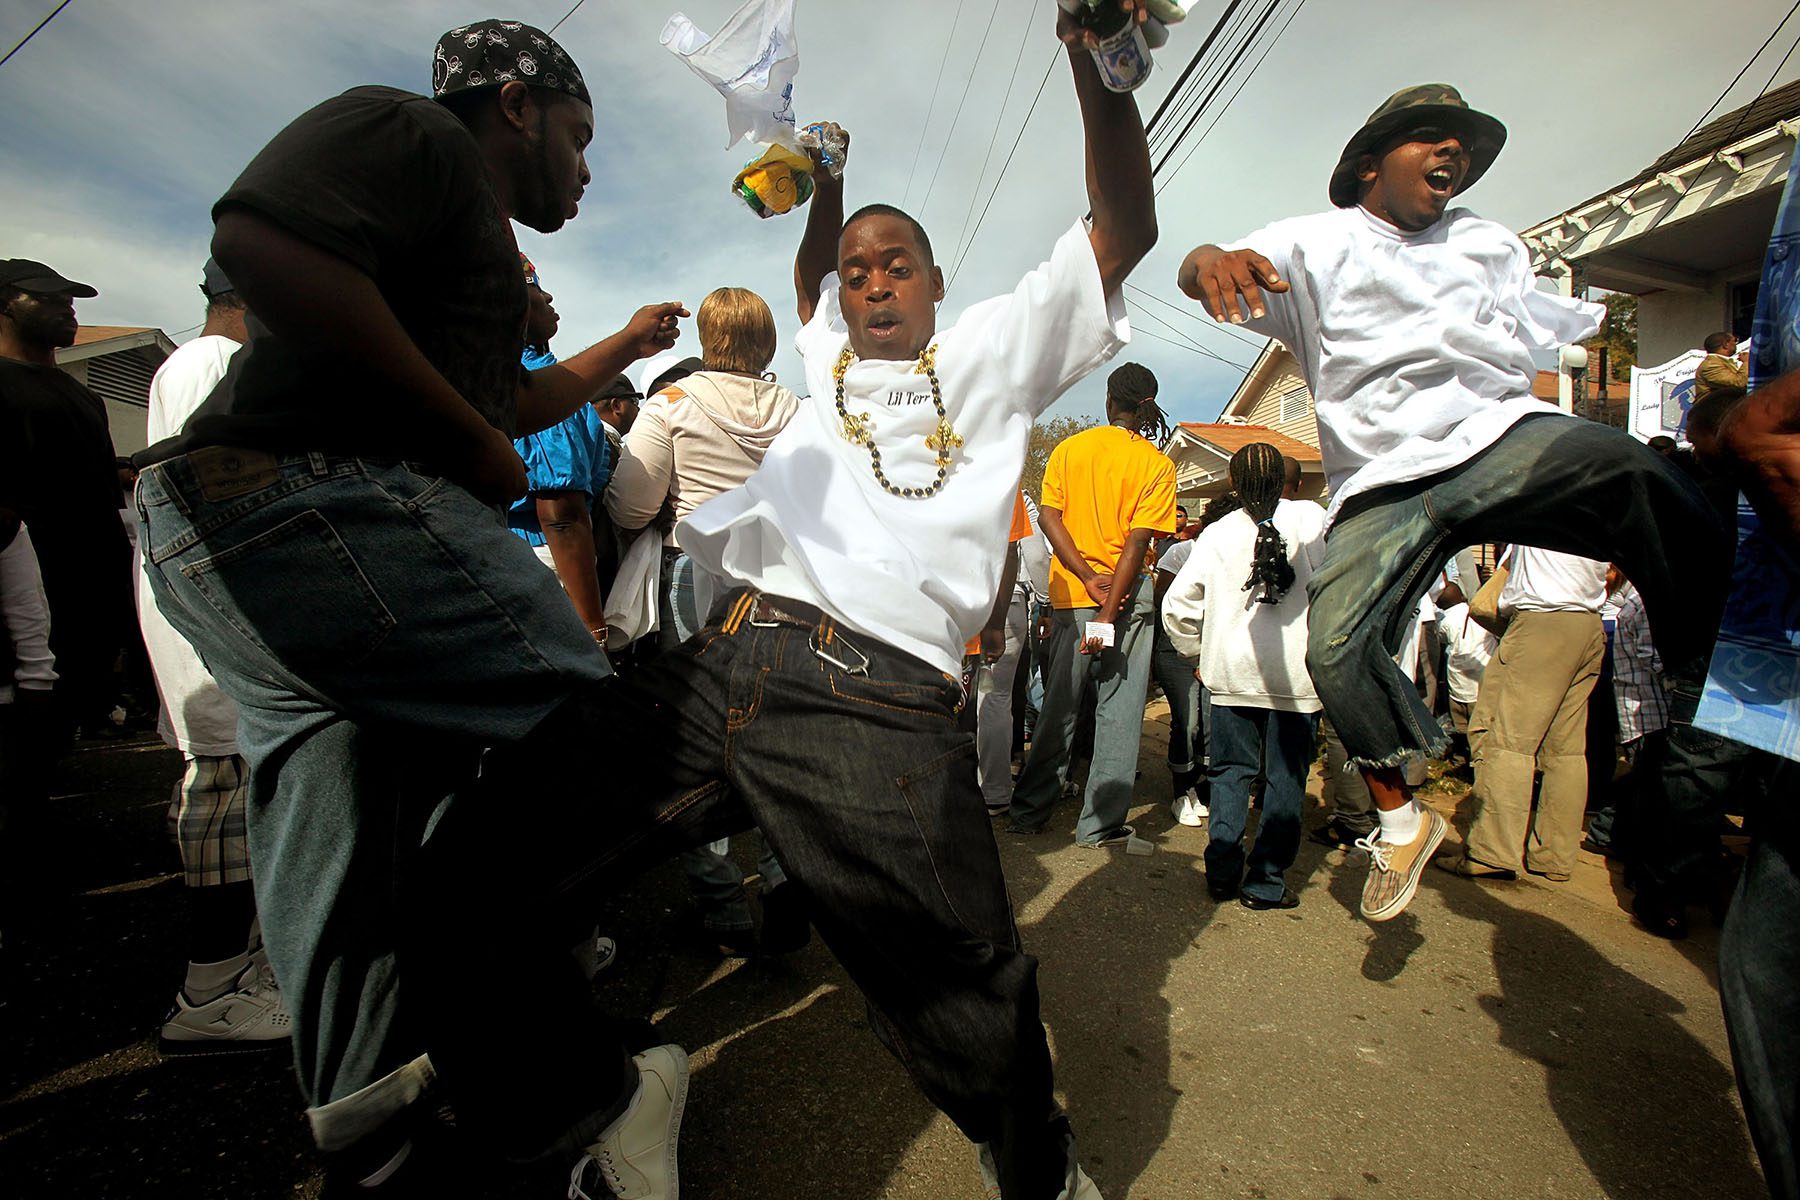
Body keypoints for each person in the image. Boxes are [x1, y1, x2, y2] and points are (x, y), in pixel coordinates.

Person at [132, 21, 693, 1192]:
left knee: (333, 841)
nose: (587, 171)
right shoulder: (418, 132)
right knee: (607, 734)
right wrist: (461, 439)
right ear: (517, 104)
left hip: (231, 532)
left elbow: (521, 398)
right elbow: (260, 234)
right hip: (318, 504)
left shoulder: (461, 260)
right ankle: (569, 1079)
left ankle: (369, 1132)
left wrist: (620, 341)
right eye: (581, 139)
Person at [661, 3, 1156, 1191]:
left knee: (962, 968)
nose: (871, 283)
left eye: (896, 266)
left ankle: (1035, 1164)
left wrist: (1094, 65)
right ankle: (604, 1094)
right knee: (502, 859)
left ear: (935, 283)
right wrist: (826, 185)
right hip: (721, 656)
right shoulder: (824, 356)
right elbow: (809, 271)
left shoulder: (991, 348)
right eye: (855, 271)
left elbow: (1120, 228)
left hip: (872, 695)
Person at [1177, 83, 1730, 922]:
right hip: (1383, 483)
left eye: (1461, 148)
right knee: (1335, 648)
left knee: (1645, 478)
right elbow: (1198, 270)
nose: (1452, 156)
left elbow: (1535, 350)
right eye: (1431, 139)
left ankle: (1711, 688)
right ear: (1370, 165)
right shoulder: (1312, 244)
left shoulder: (1492, 245)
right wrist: (1207, 258)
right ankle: (1402, 817)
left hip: (1495, 438)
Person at [604, 285, 806, 955]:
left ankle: (721, 906)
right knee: (778, 731)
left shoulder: (670, 406)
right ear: (766, 342)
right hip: (784, 582)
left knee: (699, 736)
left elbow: (630, 508)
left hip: (699, 576)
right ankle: (784, 880)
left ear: (708, 340)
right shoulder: (799, 413)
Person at [136, 259, 291, 1054]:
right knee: (222, 788)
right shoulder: (213, 364)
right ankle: (215, 988)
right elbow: (224, 494)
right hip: (221, 619)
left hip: (216, 614)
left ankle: (242, 968)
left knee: (234, 786)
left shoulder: (196, 365)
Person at [1006, 361, 1177, 846]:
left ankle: (1029, 810)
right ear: (1148, 407)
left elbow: (1051, 521)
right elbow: (1138, 540)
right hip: (1126, 601)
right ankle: (1098, 825)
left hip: (1071, 597)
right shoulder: (1156, 465)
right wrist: (1110, 605)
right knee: (1120, 712)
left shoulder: (1069, 450)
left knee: (1059, 704)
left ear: (1109, 401)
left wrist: (1085, 578)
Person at [1162, 443, 1325, 908]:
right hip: (1296, 678)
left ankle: (1222, 871)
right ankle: (1266, 881)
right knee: (1287, 778)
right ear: (1284, 481)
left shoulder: (1217, 534)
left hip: (1231, 675)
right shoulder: (1312, 521)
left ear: (1234, 484)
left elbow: (1178, 607)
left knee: (1229, 772)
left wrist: (1197, 651)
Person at [0, 259, 134, 743]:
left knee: (63, 721)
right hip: (28, 589)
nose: (68, 309)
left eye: (69, 300)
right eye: (49, 298)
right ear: (4, 303)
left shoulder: (86, 398)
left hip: (93, 586)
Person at [1436, 547, 1606, 882]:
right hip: (1587, 620)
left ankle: (1492, 852)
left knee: (1505, 739)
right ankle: (1554, 856)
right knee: (1566, 750)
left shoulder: (1541, 496)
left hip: (1541, 620)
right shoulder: (1606, 501)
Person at [506, 254, 609, 643]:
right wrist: (593, 630)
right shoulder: (540, 385)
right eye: (534, 288)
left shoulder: (513, 376)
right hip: (549, 567)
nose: (548, 297)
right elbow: (561, 514)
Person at [1151, 528, 1206, 825]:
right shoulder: (1181, 553)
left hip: (1215, 650)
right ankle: (1180, 793)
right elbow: (1162, 599)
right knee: (1187, 722)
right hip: (1175, 650)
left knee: (1207, 726)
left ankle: (1196, 787)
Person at [1693, 331, 1747, 408]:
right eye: (1734, 341)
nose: (1736, 344)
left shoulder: (1722, 362)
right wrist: (1746, 362)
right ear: (1726, 345)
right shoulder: (1710, 365)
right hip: (1716, 412)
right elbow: (1738, 382)